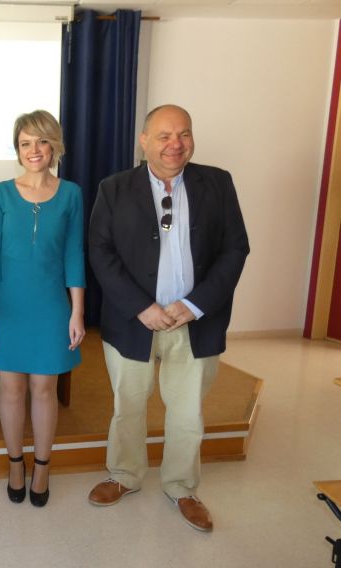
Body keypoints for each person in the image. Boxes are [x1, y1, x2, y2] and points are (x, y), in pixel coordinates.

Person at [87, 104, 250, 532]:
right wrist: (142, 307)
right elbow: (100, 252)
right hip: (132, 321)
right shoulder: (113, 188)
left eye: (184, 134)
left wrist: (194, 305)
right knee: (128, 405)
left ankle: (181, 486)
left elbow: (236, 249)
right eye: (163, 135)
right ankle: (124, 475)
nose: (175, 144)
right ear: (144, 141)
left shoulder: (218, 183)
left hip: (196, 321)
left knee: (187, 412)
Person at [0, 110, 85, 507]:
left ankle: (42, 465)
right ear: (17, 149)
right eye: (24, 143)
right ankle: (15, 462)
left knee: (43, 388)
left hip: (52, 305)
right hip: (7, 303)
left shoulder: (71, 193)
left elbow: (74, 253)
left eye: (40, 141)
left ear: (54, 144)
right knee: (11, 388)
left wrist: (77, 311)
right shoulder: (1, 192)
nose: (33, 150)